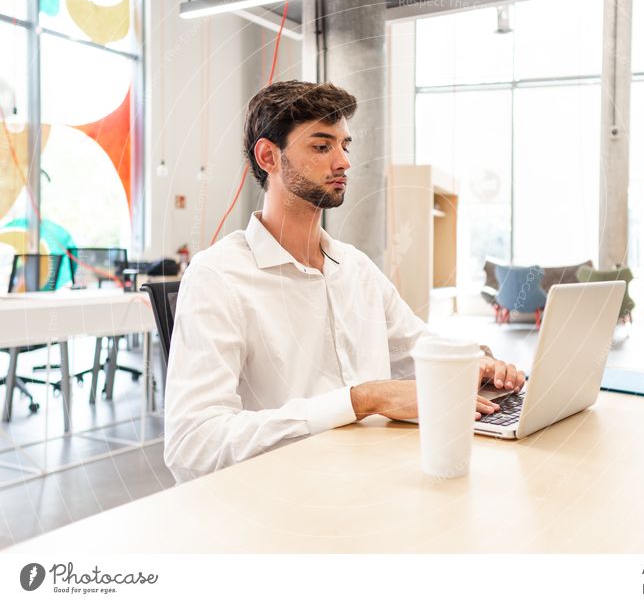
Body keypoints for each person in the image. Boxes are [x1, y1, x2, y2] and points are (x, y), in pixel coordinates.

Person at [164, 81, 525, 483]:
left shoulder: (355, 268)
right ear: (269, 156)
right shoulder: (218, 277)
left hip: (375, 476)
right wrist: (361, 400)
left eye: (345, 146)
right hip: (287, 495)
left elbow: (416, 347)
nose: (343, 162)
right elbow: (191, 444)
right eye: (322, 147)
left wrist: (473, 363)